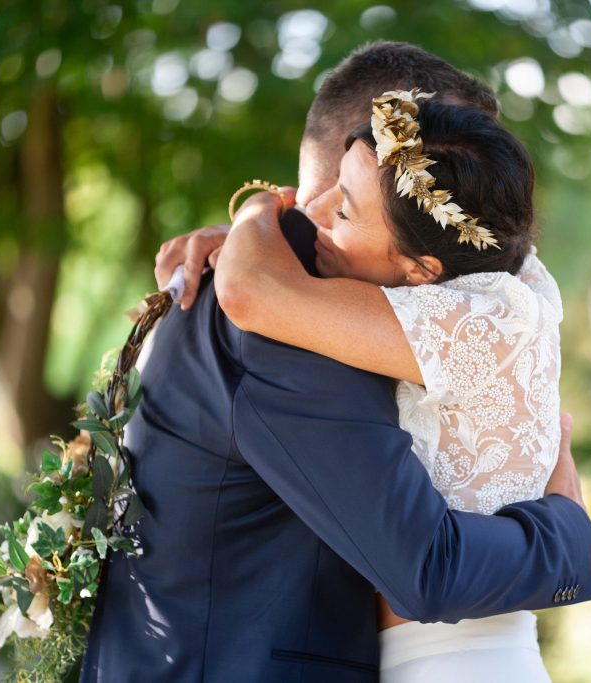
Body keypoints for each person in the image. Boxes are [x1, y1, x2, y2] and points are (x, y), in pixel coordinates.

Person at [82, 42, 591, 683]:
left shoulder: (470, 296)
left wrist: (256, 216)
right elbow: (425, 566)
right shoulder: (281, 321)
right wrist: (567, 537)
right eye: (441, 155)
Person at [208, 86, 563, 682]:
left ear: (424, 270)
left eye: (343, 210)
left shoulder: (479, 322)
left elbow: (249, 292)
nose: (313, 215)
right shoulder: (502, 271)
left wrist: (252, 213)